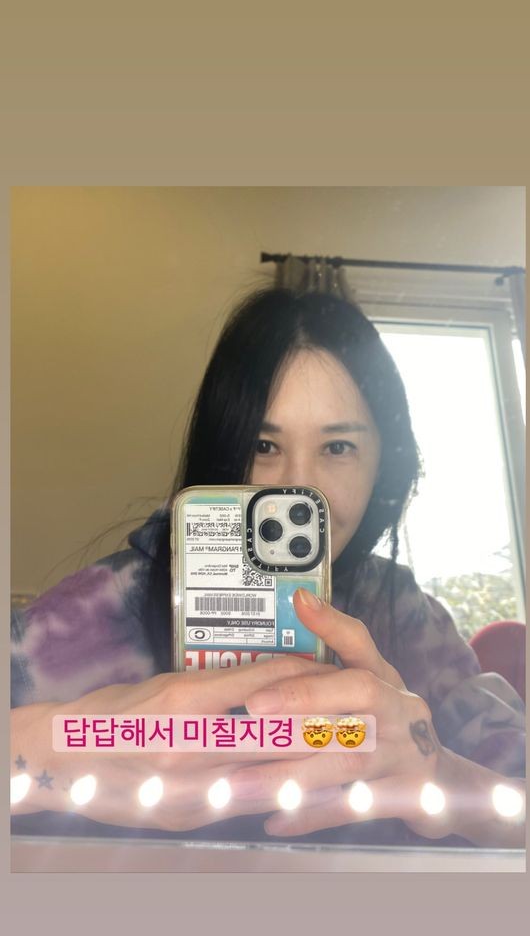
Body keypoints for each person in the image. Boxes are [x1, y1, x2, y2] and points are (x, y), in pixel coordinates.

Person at [11, 286, 525, 848]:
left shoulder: (410, 617)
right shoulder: (95, 613)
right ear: (222, 449)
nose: (296, 488)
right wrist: (56, 743)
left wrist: (444, 776)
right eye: (262, 444)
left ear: (386, 463)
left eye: (338, 447)